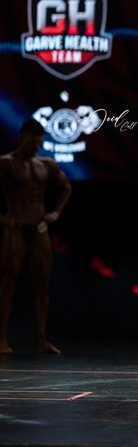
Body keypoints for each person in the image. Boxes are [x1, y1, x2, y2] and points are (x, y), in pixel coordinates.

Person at [0, 118, 72, 355]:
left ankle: (41, 340)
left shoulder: (46, 164)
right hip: (16, 228)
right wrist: (3, 218)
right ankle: (1, 340)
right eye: (32, 142)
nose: (35, 147)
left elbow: (66, 188)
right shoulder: (6, 163)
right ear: (21, 137)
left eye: (39, 143)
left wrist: (55, 213)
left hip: (39, 228)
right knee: (8, 283)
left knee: (42, 284)